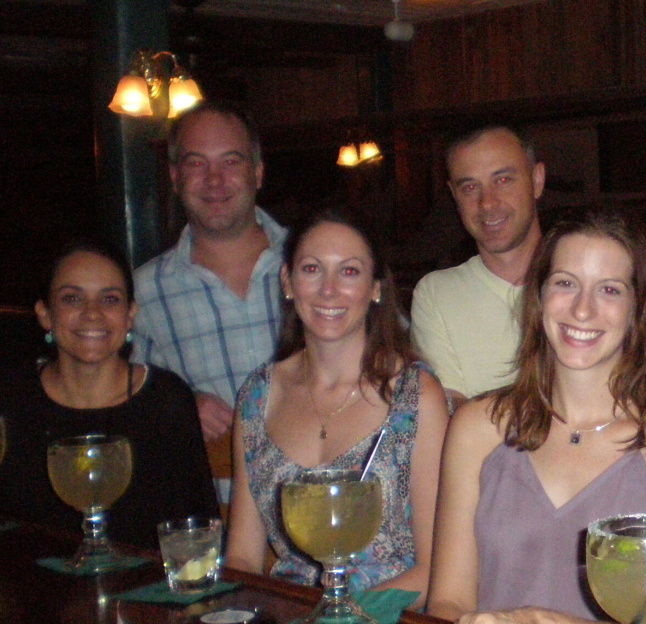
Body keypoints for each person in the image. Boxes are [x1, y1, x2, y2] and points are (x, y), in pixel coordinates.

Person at [427, 209, 646, 623]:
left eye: (609, 290)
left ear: (638, 308)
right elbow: (448, 602)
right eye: (565, 283)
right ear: (538, 296)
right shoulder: (477, 428)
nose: (583, 310)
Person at [224, 209, 449, 601]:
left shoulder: (416, 396)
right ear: (288, 282)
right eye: (312, 269)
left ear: (375, 288)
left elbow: (435, 569)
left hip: (386, 613)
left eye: (349, 272)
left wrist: (338, 616)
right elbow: (242, 556)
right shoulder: (258, 396)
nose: (328, 290)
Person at [0, 239, 218, 550]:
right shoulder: (11, 399)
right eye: (72, 298)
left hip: (144, 581)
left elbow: (197, 535)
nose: (93, 313)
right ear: (45, 313)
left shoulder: (165, 402)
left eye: (110, 299)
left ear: (130, 315)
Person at [131, 101, 287, 443]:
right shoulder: (142, 293)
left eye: (230, 161)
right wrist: (175, 406)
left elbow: (392, 359)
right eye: (196, 163)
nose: (214, 180)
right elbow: (121, 400)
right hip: (209, 479)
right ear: (175, 177)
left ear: (258, 172)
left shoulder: (320, 265)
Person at [410, 125, 544, 410]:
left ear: (537, 180)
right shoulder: (437, 293)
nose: (487, 203)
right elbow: (448, 412)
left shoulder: (585, 283)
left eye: (503, 180)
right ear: (454, 195)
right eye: (470, 187)